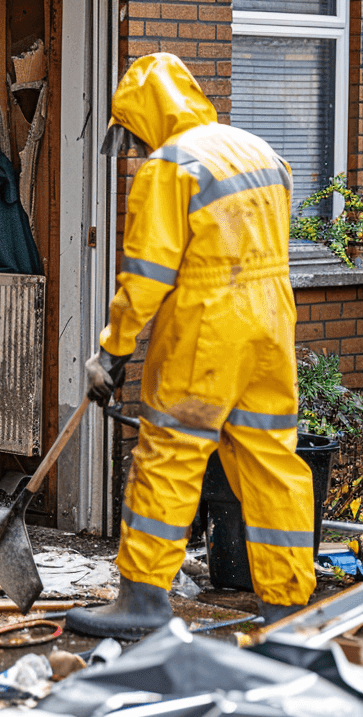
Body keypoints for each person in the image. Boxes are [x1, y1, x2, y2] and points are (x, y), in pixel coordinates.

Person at [66, 53, 316, 639]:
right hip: (272, 327)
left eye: (131, 137)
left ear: (145, 116)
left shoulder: (171, 166)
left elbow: (148, 275)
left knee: (169, 458)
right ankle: (288, 612)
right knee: (273, 465)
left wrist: (112, 351)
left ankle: (143, 604)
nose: (132, 151)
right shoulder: (261, 151)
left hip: (208, 328)